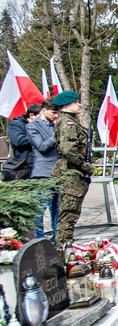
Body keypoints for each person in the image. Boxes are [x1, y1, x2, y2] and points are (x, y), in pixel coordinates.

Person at [51, 92, 93, 247]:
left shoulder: (69, 122)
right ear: (67, 105)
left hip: (73, 172)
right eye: (76, 102)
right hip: (71, 172)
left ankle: (65, 244)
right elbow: (69, 150)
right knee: (68, 213)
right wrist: (85, 166)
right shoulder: (67, 124)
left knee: (70, 213)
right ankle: (64, 247)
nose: (79, 105)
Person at [27, 102, 60, 241]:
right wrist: (56, 135)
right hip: (43, 171)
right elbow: (41, 146)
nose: (55, 116)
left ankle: (57, 236)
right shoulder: (32, 126)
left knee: (57, 207)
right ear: (44, 110)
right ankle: (39, 239)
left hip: (58, 171)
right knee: (41, 208)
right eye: (53, 113)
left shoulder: (55, 125)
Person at [9, 103, 41, 168]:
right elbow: (19, 141)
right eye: (41, 117)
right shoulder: (16, 125)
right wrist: (37, 137)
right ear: (32, 115)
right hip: (25, 162)